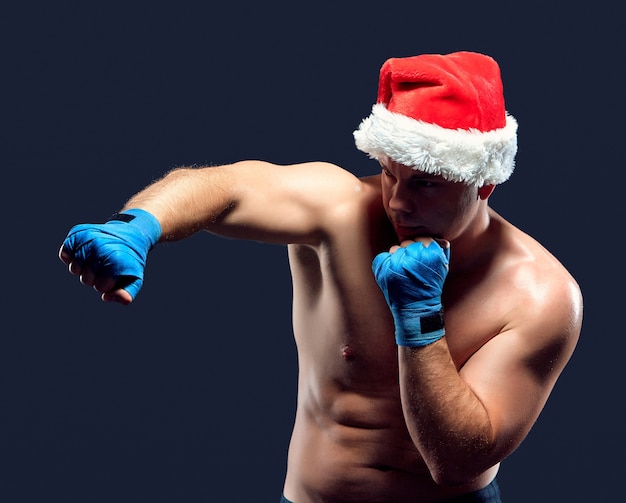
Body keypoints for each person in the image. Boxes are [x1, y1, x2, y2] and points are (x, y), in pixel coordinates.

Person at [59, 51, 583, 502]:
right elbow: (228, 186)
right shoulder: (341, 211)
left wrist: (420, 317)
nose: (397, 202)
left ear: (485, 182)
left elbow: (454, 460)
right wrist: (138, 226)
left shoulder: (539, 295)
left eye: (424, 184)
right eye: (389, 173)